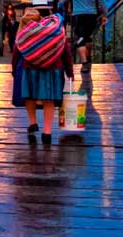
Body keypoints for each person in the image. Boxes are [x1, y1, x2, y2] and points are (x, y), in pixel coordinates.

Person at [12, 9, 74, 145]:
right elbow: (66, 50)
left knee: (30, 96)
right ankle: (47, 132)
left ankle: (33, 122)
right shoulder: (55, 31)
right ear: (41, 18)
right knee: (49, 100)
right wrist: (70, 71)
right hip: (53, 69)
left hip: (29, 69)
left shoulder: (24, 34)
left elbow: (16, 53)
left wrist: (13, 69)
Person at [60, 0, 107, 73]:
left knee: (80, 38)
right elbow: (102, 1)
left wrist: (60, 6)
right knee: (88, 38)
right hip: (92, 15)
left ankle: (85, 63)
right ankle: (89, 58)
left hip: (78, 15)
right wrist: (105, 15)